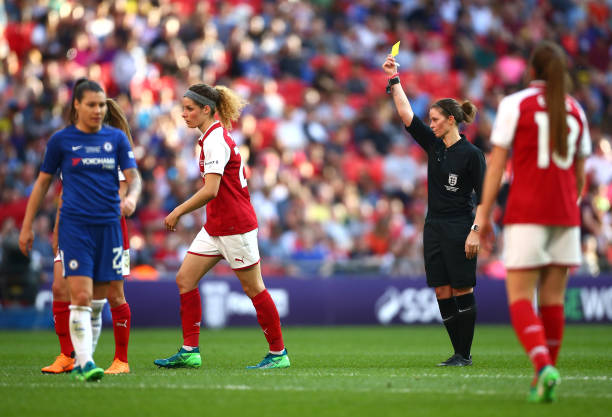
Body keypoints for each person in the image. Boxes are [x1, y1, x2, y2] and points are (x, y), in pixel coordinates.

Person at [474, 41, 591, 403]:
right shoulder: (575, 110)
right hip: (565, 215)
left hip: (527, 211)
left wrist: (484, 213)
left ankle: (542, 367)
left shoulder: (516, 104)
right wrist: (568, 206)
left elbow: (496, 165)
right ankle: (544, 378)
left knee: (522, 297)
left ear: (531, 70)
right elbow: (579, 175)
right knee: (553, 299)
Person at [154, 83, 289, 369]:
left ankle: (278, 354)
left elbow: (211, 189)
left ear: (207, 109)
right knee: (185, 279)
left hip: (236, 227)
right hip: (216, 225)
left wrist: (178, 210)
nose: (184, 114)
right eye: (183, 108)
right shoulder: (210, 138)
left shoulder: (215, 140)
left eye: (190, 109)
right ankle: (190, 351)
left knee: (255, 289)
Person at [19, 79, 142, 382]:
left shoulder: (115, 142)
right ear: (77, 105)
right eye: (92, 105)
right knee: (68, 291)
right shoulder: (63, 142)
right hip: (75, 227)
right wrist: (45, 226)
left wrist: (130, 199)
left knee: (108, 297)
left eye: (101, 106)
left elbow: (131, 180)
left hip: (111, 228)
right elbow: (55, 188)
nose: (98, 111)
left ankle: (119, 358)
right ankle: (76, 359)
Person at [382, 54, 486, 366]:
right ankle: (458, 353)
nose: (431, 124)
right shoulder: (435, 145)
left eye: (435, 119)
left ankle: (464, 354)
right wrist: (393, 79)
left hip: (460, 226)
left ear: (451, 120)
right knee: (441, 289)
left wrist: (476, 231)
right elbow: (406, 115)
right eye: (430, 120)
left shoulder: (472, 155)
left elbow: (484, 198)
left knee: (462, 287)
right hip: (434, 226)